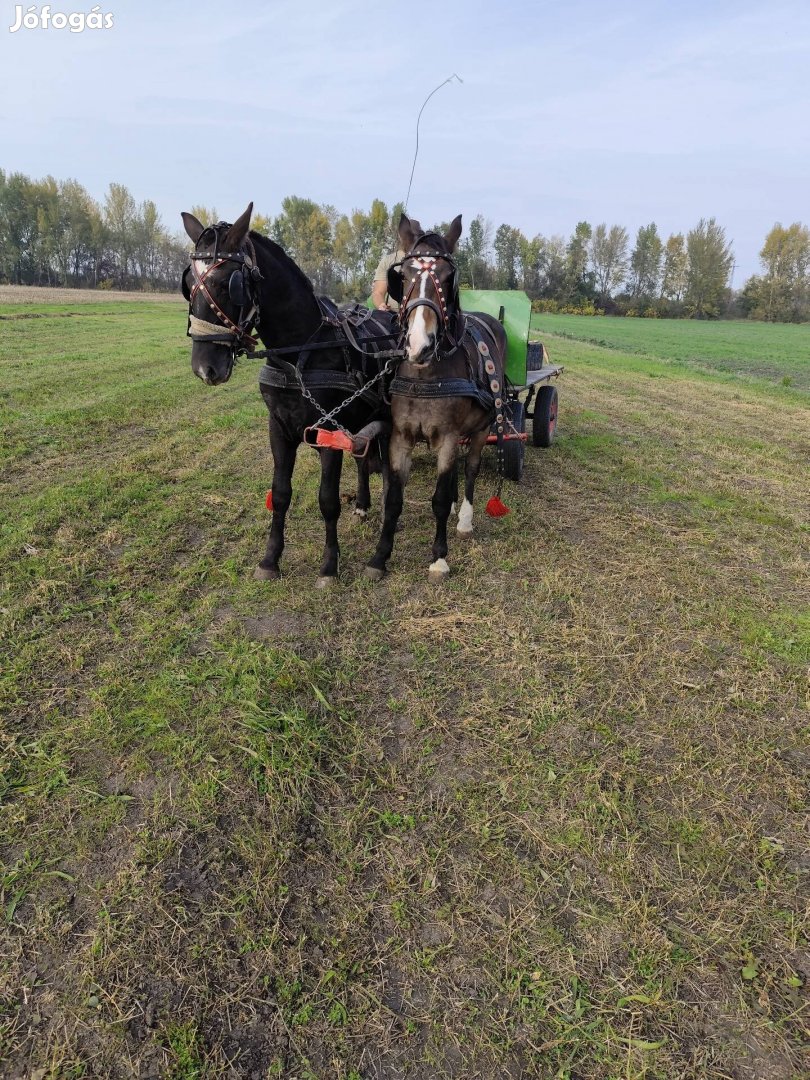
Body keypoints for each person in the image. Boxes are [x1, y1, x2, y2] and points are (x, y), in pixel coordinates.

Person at [372, 246, 407, 312]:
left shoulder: (431, 259)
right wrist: (382, 305)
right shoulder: (387, 260)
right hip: (392, 316)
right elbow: (378, 292)